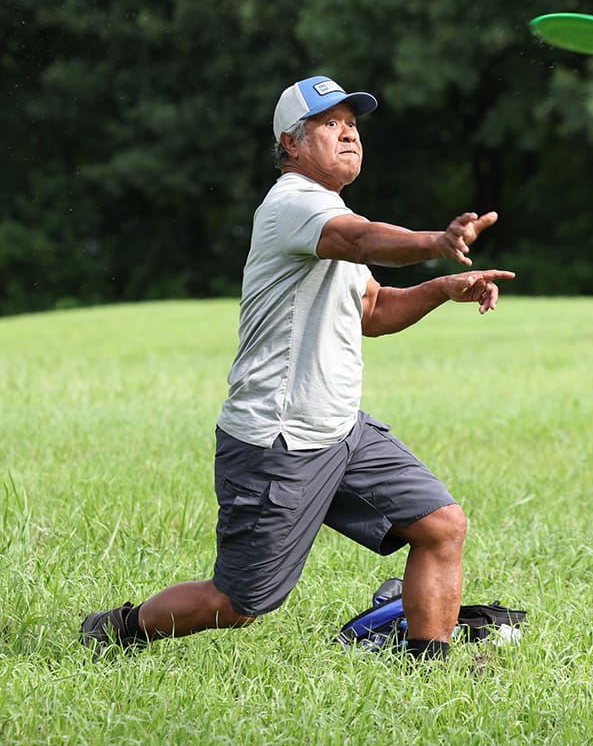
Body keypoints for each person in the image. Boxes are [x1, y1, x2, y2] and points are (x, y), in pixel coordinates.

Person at [80, 75, 515, 661]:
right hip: (276, 439)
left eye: (353, 125)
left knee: (441, 525)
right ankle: (118, 630)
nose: (349, 135)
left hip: (340, 429)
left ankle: (427, 668)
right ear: (291, 143)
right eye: (330, 124)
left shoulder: (329, 212)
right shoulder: (293, 205)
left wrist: (441, 287)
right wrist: (437, 239)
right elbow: (361, 240)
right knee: (239, 601)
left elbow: (374, 309)